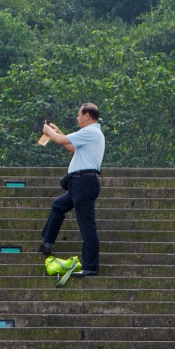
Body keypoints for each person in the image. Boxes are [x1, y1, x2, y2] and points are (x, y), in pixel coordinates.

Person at [38, 103, 105, 277]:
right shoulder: (90, 135)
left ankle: (91, 266)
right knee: (58, 205)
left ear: (87, 116)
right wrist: (57, 132)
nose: (77, 118)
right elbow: (71, 147)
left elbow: (61, 141)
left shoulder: (91, 132)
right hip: (78, 184)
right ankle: (48, 241)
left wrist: (48, 130)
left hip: (84, 183)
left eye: (78, 115)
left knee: (87, 227)